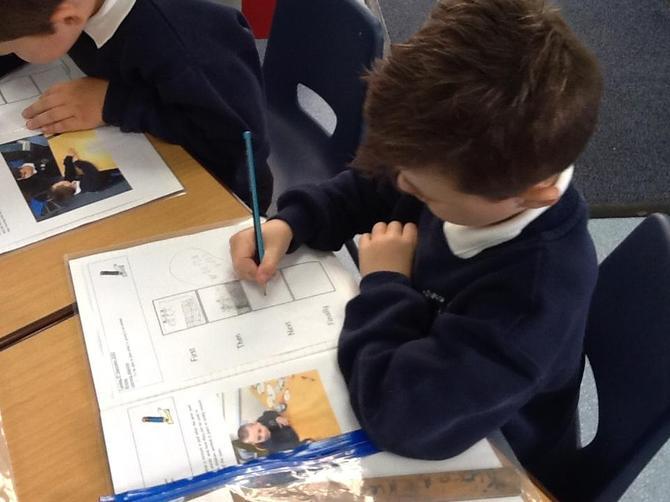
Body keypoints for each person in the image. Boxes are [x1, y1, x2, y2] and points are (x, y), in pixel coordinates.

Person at [229, 0, 603, 481]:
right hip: (423, 364)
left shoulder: (532, 299)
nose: (402, 186)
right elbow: (374, 186)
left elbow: (401, 417)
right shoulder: (462, 164)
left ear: (533, 195)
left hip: (498, 454)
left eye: (426, 194)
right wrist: (293, 223)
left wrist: (385, 283)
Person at [0, 0, 272, 211]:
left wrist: (114, 103)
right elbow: (25, 28)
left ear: (68, 19)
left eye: (11, 47)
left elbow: (237, 145)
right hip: (148, 147)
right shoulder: (71, 9)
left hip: (224, 190)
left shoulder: (185, 48)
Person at [49, 148, 117, 202]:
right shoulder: (89, 186)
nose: (60, 181)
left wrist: (69, 158)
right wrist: (77, 162)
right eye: (59, 183)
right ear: (66, 185)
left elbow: (69, 171)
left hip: (100, 169)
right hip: (109, 172)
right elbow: (90, 169)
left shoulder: (69, 183)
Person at [237, 411, 302, 454]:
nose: (263, 434)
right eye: (259, 438)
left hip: (295, 418)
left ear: (257, 423)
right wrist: (286, 426)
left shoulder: (261, 421)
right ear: (255, 443)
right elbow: (296, 443)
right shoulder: (274, 448)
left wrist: (276, 417)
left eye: (259, 430)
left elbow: (267, 414)